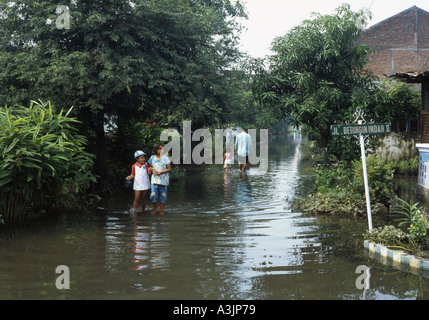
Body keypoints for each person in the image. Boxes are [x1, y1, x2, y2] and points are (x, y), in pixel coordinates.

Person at [147, 142, 171, 215]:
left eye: (162, 149)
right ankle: (155, 209)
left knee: (163, 196)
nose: (162, 150)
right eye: (160, 149)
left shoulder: (165, 158)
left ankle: (161, 210)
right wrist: (151, 170)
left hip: (164, 180)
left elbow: (169, 169)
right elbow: (150, 167)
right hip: (154, 180)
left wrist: (161, 172)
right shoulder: (152, 158)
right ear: (155, 150)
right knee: (153, 195)